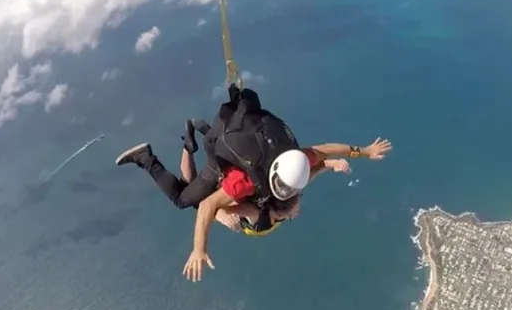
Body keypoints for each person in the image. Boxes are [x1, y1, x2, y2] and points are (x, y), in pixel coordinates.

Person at [115, 84, 392, 281]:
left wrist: (362, 152)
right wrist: (200, 248)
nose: (296, 211)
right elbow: (208, 207)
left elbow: (326, 151)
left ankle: (191, 141)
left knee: (193, 192)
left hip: (247, 156)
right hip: (222, 169)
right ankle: (147, 158)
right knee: (183, 199)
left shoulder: (296, 162)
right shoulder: (246, 185)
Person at [177, 122, 353, 235]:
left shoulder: (258, 214)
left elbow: (221, 209)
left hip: (237, 189)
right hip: (235, 187)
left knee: (199, 194)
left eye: (295, 211)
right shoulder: (267, 210)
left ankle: (205, 140)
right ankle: (190, 145)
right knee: (191, 197)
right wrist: (333, 164)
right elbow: (313, 171)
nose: (298, 211)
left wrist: (333, 164)